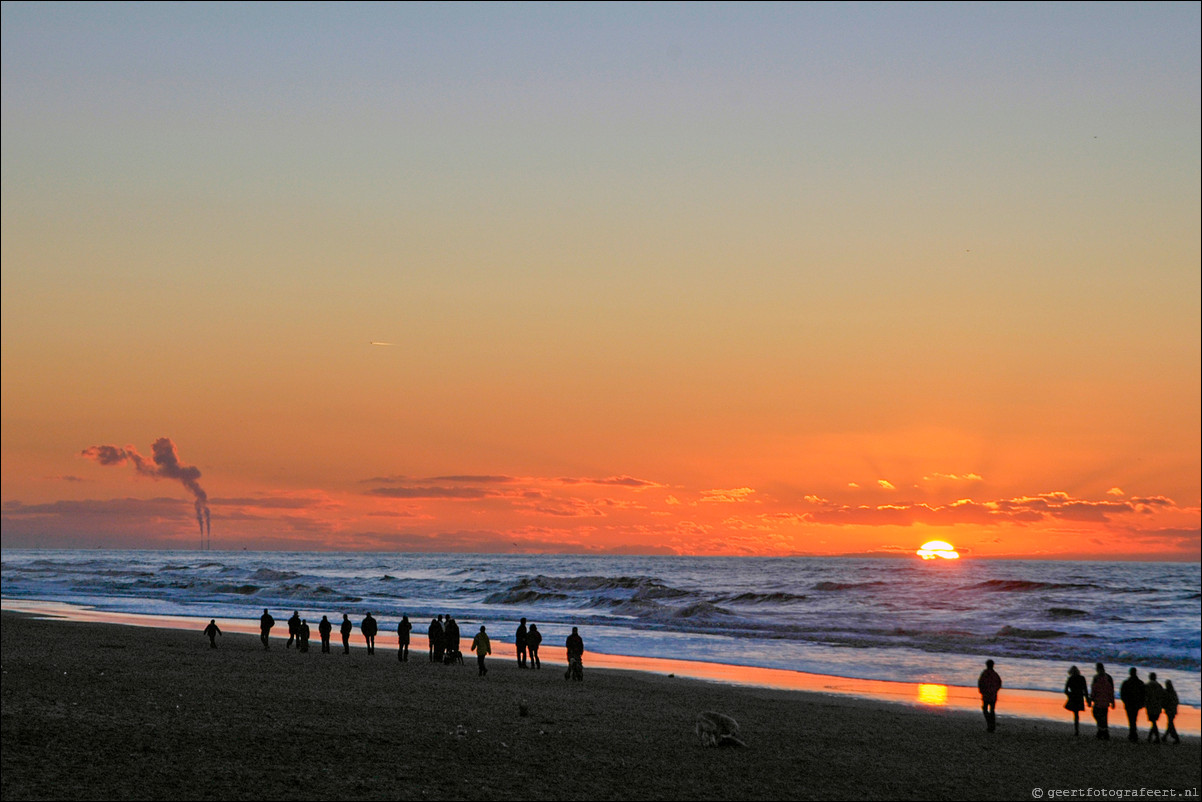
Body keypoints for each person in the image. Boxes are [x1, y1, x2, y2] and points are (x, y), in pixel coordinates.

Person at [1120, 667, 1145, 743]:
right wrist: (1142, 703)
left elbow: (1122, 694)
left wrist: (1125, 701)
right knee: (1134, 718)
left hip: (1129, 703)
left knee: (1131, 719)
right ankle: (1133, 733)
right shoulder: (1140, 683)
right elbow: (1143, 694)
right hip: (1136, 704)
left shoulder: (1126, 682)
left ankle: (1132, 733)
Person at [1091, 663, 1115, 739]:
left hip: (1098, 700)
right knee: (1103, 716)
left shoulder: (1096, 678)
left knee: (1097, 715)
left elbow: (1094, 689)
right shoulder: (1108, 677)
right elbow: (1111, 690)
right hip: (1105, 700)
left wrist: (1091, 698)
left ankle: (1102, 731)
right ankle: (1103, 731)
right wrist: (1112, 701)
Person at [1063, 665, 1090, 736]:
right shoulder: (1082, 678)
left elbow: (1065, 690)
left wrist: (1069, 695)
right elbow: (1085, 690)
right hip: (1080, 697)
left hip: (1073, 697)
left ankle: (1076, 730)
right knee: (1076, 714)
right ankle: (1077, 729)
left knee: (1075, 713)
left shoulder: (1070, 679)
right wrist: (1087, 700)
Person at [977, 659, 1001, 732]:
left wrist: (981, 691)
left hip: (987, 694)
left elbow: (980, 683)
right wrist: (995, 690)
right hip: (992, 695)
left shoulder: (985, 673)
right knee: (992, 710)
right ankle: (991, 725)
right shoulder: (995, 674)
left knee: (985, 709)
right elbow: (999, 683)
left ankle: (990, 724)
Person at [1144, 672, 1164, 743]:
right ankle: (1150, 737)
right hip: (1158, 706)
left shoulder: (1148, 685)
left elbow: (1145, 696)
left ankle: (1157, 737)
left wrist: (1144, 704)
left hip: (1151, 706)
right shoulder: (1159, 686)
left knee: (1153, 721)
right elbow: (1162, 696)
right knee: (1154, 721)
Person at [1163, 679, 1181, 744]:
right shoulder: (1173, 692)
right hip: (1173, 710)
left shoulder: (1167, 692)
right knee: (1170, 723)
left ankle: (1176, 738)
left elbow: (1165, 701)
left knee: (1170, 724)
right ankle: (1165, 736)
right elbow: (1177, 701)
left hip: (1169, 710)